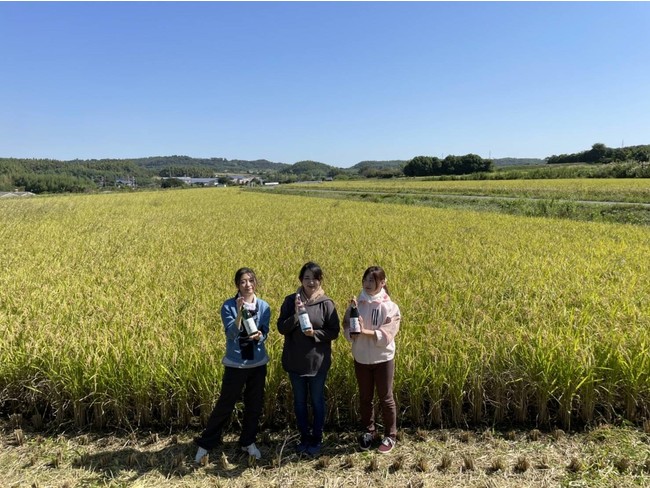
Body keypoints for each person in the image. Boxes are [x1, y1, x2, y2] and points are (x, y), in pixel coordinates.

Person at [194, 267, 271, 464]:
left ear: (256, 283)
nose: (248, 285)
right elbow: (231, 334)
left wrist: (261, 336)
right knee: (225, 404)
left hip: (257, 363)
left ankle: (248, 441)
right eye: (243, 281)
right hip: (236, 363)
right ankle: (206, 443)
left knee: (254, 404)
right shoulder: (229, 306)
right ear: (237, 285)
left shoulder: (264, 306)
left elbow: (265, 331)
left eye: (251, 281)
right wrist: (239, 313)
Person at [277, 261, 340, 457]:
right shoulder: (291, 301)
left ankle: (317, 438)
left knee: (317, 401)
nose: (310, 282)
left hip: (317, 362)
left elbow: (334, 331)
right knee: (299, 402)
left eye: (315, 278)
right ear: (300, 280)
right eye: (306, 278)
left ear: (320, 280)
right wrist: (296, 315)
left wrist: (315, 334)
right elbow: (281, 328)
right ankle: (304, 437)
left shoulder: (326, 304)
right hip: (295, 361)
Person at [343, 266, 401, 454]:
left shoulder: (390, 307)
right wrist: (351, 326)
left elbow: (388, 334)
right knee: (365, 398)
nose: (367, 284)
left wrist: (363, 331)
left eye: (372, 280)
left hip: (383, 359)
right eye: (365, 280)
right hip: (361, 358)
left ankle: (390, 435)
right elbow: (347, 329)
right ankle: (368, 432)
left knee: (386, 398)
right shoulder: (357, 303)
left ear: (382, 283)